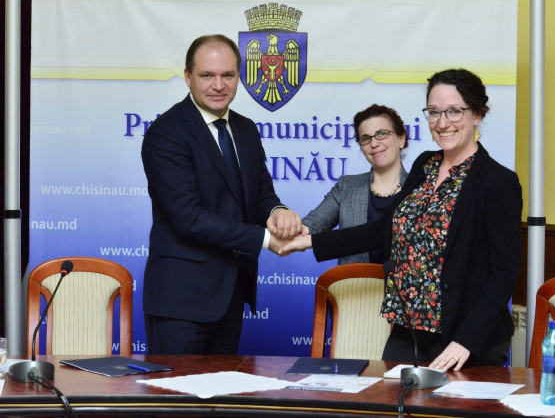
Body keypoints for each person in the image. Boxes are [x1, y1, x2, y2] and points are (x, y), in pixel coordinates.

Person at [282, 69, 522, 371]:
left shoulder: (498, 182)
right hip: (408, 329)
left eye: (454, 111)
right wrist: (309, 241)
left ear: (477, 114)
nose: (442, 122)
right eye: (434, 112)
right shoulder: (424, 165)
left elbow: (504, 272)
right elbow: (386, 229)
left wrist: (466, 340)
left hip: (463, 337)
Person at [141, 34, 301, 355]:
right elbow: (189, 218)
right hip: (180, 302)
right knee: (177, 403)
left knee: (219, 401)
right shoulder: (166, 134)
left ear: (239, 76)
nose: (218, 85)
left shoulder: (245, 129)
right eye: (207, 75)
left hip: (229, 296)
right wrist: (267, 240)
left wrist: (276, 212)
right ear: (187, 77)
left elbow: (260, 196)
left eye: (227, 75)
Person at [301, 104, 409, 264]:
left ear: (401, 139)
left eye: (381, 134)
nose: (374, 143)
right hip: (353, 287)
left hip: (404, 288)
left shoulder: (422, 187)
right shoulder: (347, 187)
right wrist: (287, 228)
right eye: (366, 138)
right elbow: (312, 224)